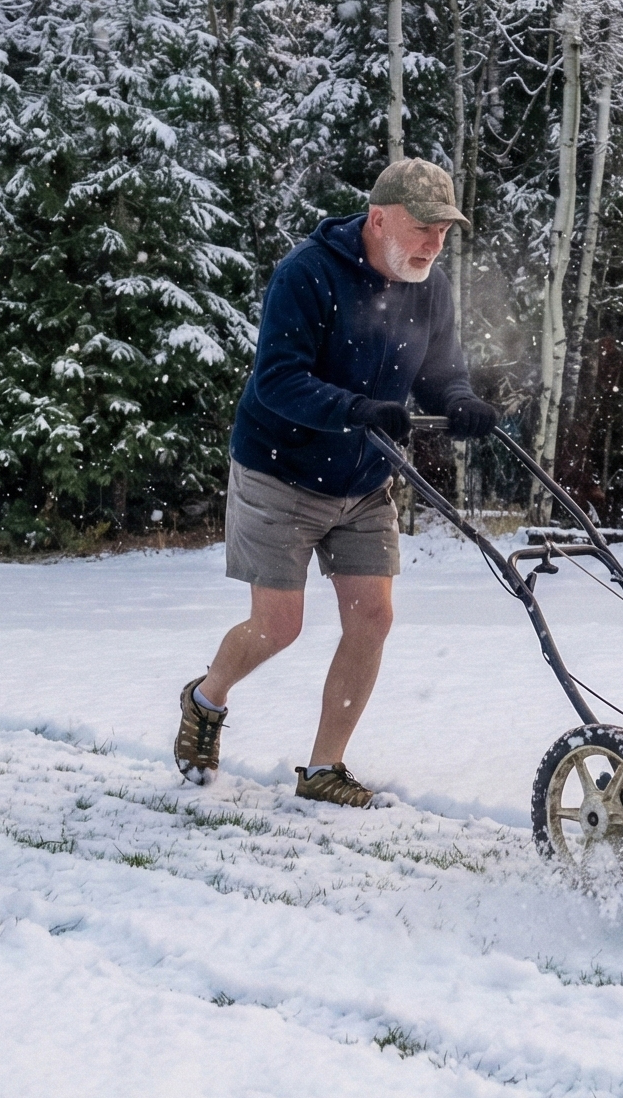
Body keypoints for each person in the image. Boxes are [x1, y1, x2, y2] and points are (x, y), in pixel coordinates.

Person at [173, 158, 497, 806]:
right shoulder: (308, 274)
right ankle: (206, 698)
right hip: (281, 470)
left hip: (365, 477)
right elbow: (278, 379)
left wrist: (460, 401)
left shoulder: (429, 286)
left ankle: (324, 768)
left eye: (443, 232)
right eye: (422, 228)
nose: (433, 245)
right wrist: (354, 409)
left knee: (372, 616)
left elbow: (441, 371)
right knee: (279, 626)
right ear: (378, 219)